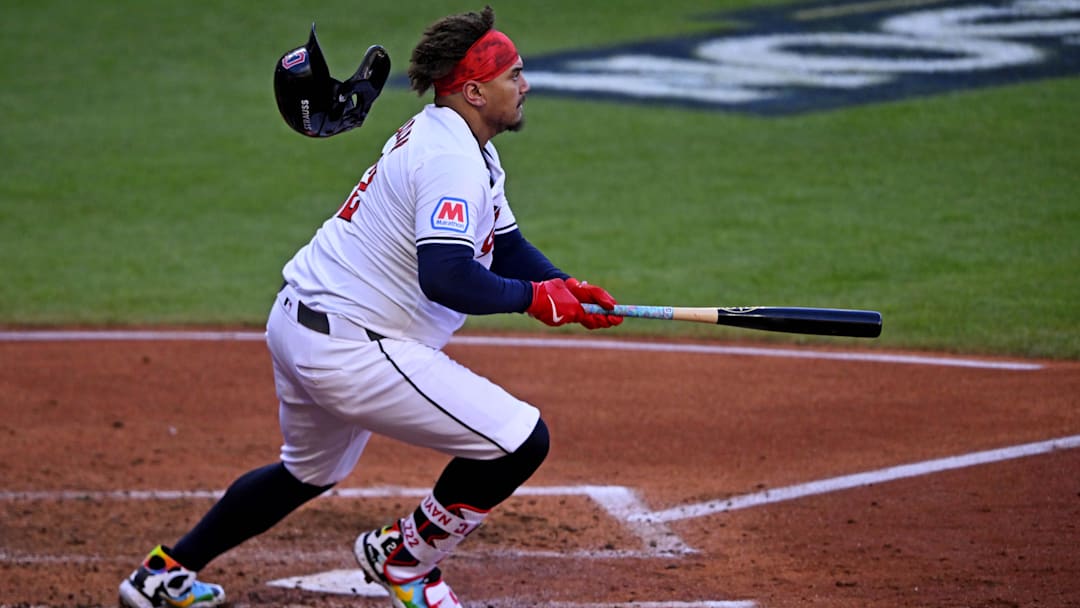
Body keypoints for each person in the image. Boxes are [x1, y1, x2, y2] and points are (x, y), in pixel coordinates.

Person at [117, 6, 622, 608]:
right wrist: (533, 300)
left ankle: (164, 572)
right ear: (474, 90)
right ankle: (403, 557)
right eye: (514, 75)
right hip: (354, 347)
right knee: (521, 440)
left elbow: (504, 243)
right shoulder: (450, 161)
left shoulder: (456, 138)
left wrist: (564, 285)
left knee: (307, 471)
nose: (526, 85)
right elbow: (448, 276)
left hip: (300, 319)